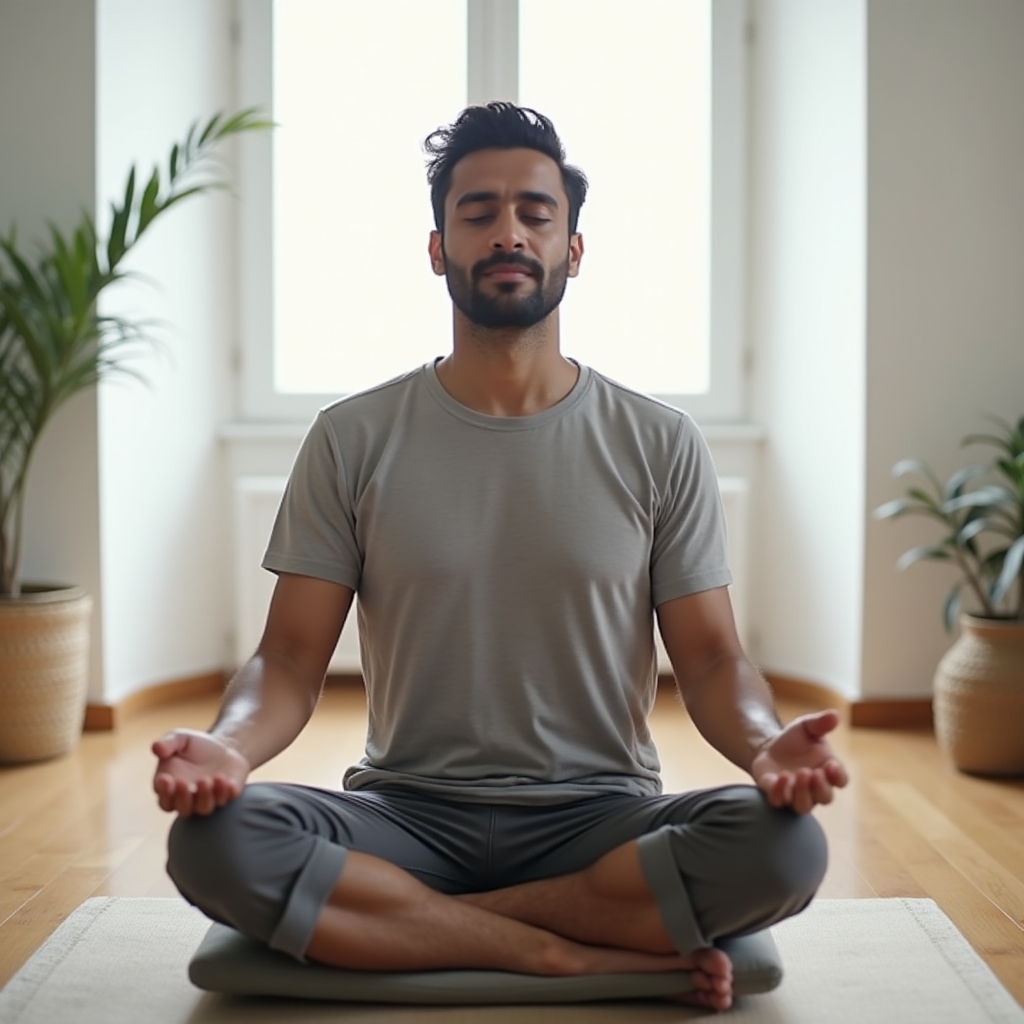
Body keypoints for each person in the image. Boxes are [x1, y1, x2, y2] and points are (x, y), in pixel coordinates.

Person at [153, 102, 847, 1012]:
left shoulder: (659, 441)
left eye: (535, 212)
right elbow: (286, 660)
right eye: (477, 213)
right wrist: (227, 749)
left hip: (601, 816)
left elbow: (714, 659)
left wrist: (766, 748)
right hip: (404, 813)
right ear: (438, 249)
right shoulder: (351, 437)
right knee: (214, 844)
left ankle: (421, 921)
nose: (508, 232)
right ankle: (560, 951)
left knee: (784, 847)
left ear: (575, 247)